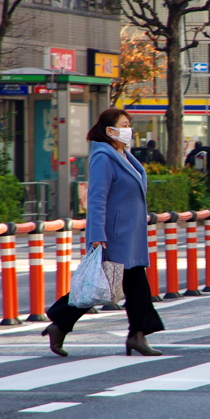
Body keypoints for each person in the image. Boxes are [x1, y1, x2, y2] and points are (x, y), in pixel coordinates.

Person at [43, 108, 164, 357]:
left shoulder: (125, 155)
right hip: (115, 235)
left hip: (129, 234)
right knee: (104, 285)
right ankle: (62, 322)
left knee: (129, 286)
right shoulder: (103, 157)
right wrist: (97, 235)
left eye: (129, 124)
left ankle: (133, 335)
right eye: (124, 124)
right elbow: (96, 198)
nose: (129, 128)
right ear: (110, 130)